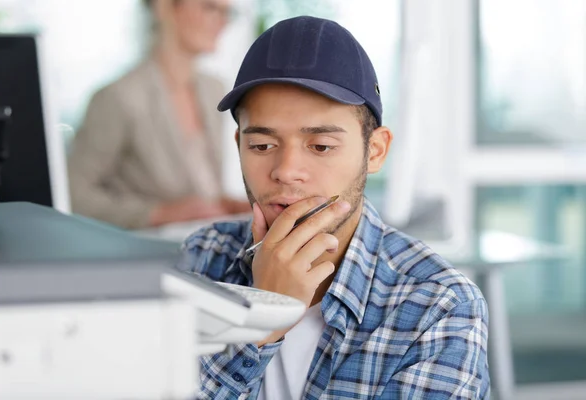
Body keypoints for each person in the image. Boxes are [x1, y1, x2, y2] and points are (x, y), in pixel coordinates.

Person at [178, 16, 490, 399]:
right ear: (239, 144)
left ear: (375, 151)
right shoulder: (201, 258)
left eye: (321, 146)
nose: (286, 172)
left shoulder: (438, 305)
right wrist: (264, 321)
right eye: (261, 146)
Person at [67, 0, 250, 230]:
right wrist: (156, 214)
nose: (223, 22)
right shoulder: (119, 97)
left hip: (202, 243)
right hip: (147, 251)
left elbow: (201, 188)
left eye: (227, 12)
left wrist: (225, 204)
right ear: (164, 7)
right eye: (210, 8)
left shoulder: (213, 89)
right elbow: (73, 194)